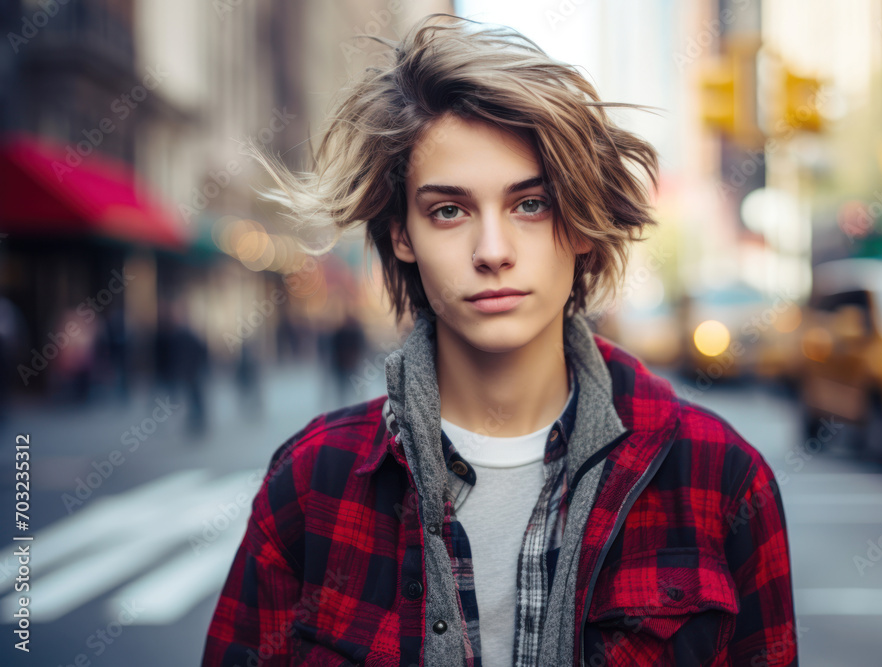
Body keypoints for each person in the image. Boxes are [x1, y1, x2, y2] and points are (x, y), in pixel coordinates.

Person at [201, 14, 796, 667]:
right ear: (403, 233)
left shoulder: (723, 480)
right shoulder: (312, 484)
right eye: (449, 210)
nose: (492, 251)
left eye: (530, 204)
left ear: (580, 224)